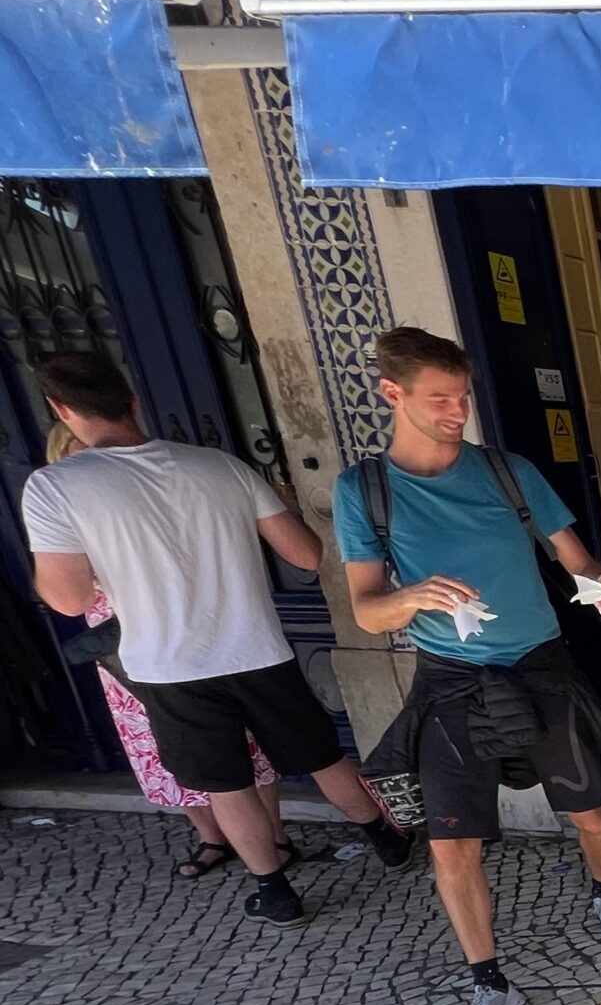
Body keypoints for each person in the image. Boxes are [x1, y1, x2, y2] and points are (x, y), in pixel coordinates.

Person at [338, 326, 601, 1005]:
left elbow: (579, 560)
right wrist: (414, 595)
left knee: (594, 818)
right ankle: (490, 983)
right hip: (449, 683)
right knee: (453, 848)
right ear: (394, 395)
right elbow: (366, 607)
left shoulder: (506, 470)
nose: (457, 412)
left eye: (464, 397)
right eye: (440, 399)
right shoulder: (365, 490)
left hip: (542, 669)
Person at [22, 352, 408, 925]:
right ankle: (388, 840)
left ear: (60, 409)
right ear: (133, 400)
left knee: (226, 784)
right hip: (259, 649)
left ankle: (274, 891)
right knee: (324, 758)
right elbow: (305, 555)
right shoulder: (220, 466)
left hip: (167, 664)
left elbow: (71, 600)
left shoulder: (54, 488)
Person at [43, 423, 287, 878]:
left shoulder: (146, 490)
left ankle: (272, 839)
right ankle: (213, 837)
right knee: (156, 743)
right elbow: (68, 590)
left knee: (241, 740)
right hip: (127, 646)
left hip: (197, 632)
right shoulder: (62, 507)